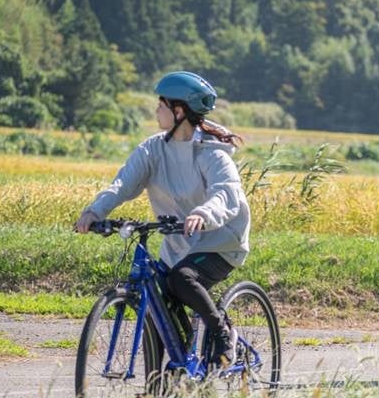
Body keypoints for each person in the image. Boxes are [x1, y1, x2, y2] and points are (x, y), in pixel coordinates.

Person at [76, 71, 250, 366]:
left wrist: (203, 213)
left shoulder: (212, 153)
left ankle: (222, 332)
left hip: (220, 239)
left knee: (182, 279)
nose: (156, 110)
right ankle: (160, 384)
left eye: (162, 104)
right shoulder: (152, 149)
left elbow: (226, 194)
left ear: (179, 111)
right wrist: (95, 211)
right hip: (179, 242)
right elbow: (123, 184)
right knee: (155, 301)